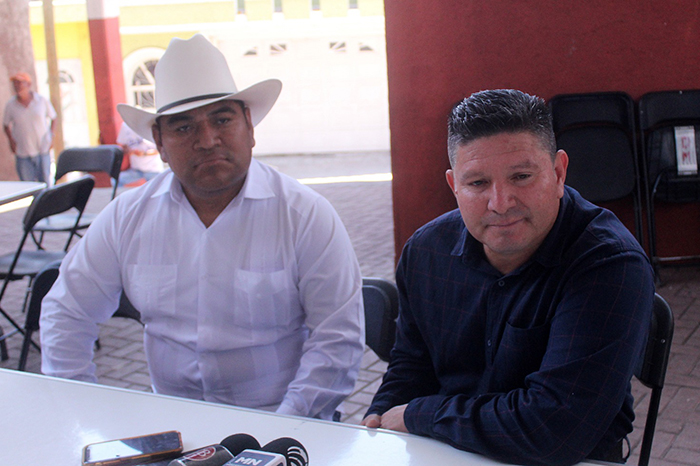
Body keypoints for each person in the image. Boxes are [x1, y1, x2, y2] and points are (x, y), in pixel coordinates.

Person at [40, 34, 365, 421]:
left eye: (222, 119)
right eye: (183, 128)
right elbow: (66, 310)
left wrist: (282, 431)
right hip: (172, 423)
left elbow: (338, 338)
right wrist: (82, 411)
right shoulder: (127, 217)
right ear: (159, 143)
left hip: (284, 421)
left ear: (250, 125)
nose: (208, 140)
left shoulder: (304, 215)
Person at [362, 89, 654, 465]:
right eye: (477, 184)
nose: (500, 203)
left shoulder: (609, 264)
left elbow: (554, 430)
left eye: (521, 176)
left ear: (559, 172)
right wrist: (379, 418)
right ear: (454, 186)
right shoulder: (426, 251)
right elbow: (412, 363)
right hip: (443, 449)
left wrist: (419, 414)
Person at [3, 72, 56, 183]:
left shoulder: (41, 101)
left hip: (42, 149)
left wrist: (51, 136)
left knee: (45, 183)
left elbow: (53, 117)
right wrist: (11, 141)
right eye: (15, 83)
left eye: (20, 83)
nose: (17, 86)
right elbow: (6, 124)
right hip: (23, 151)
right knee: (27, 184)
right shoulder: (11, 105)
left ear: (28, 84)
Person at [116, 121, 164, 187]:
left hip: (153, 169)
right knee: (116, 180)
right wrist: (130, 151)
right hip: (136, 169)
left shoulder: (150, 123)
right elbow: (123, 146)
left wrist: (142, 153)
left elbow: (161, 148)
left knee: (156, 188)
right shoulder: (126, 125)